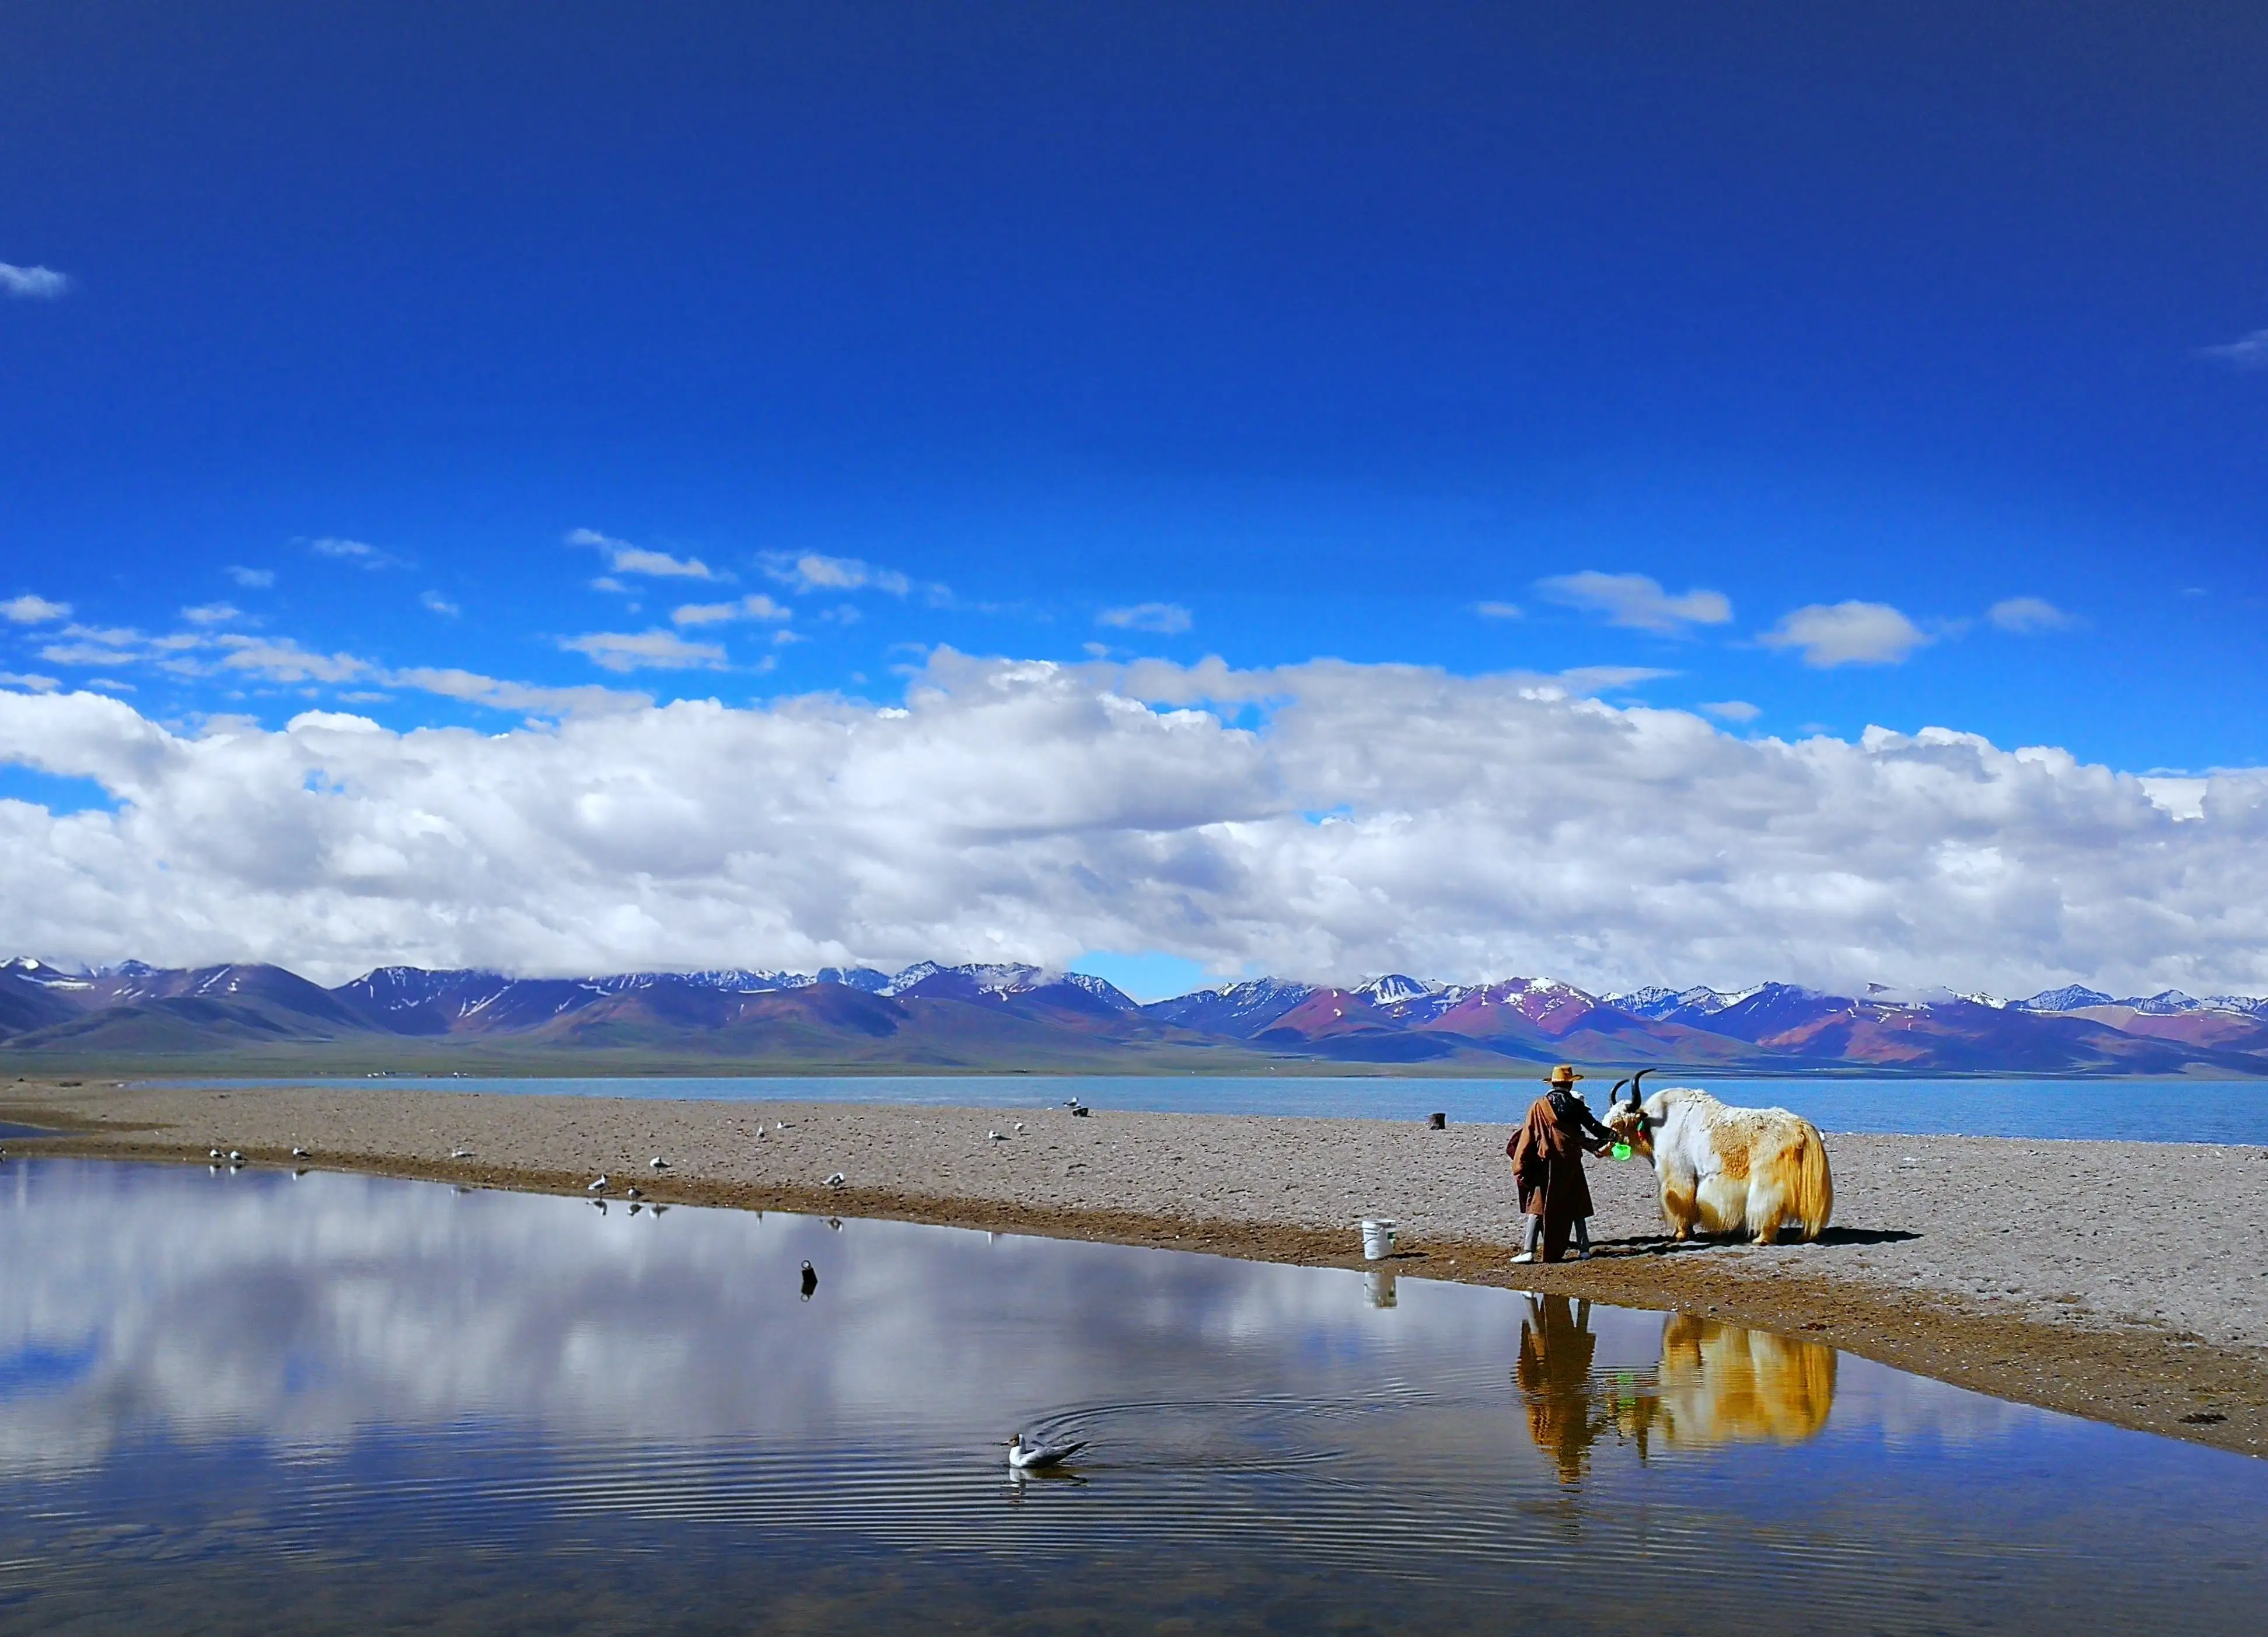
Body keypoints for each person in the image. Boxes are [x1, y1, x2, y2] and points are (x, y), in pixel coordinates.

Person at [1508, 1063, 1619, 1263]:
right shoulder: (1576, 1106)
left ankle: (1528, 1251)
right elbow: (1595, 1128)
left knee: (1538, 1207)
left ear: (1553, 1083)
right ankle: (1584, 1250)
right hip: (1571, 1163)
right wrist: (1613, 1136)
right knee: (1577, 1205)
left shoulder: (1538, 1106)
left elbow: (1528, 1137)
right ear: (1570, 1084)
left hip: (1546, 1165)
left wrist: (1520, 1165)